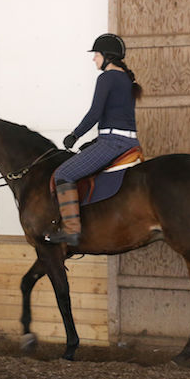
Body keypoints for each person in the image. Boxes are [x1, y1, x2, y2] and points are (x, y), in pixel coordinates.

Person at [46, 33, 143, 246]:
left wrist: (75, 134)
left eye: (96, 55)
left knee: (63, 173)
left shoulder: (107, 78)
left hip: (113, 143)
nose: (94, 59)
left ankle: (71, 230)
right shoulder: (125, 79)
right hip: (127, 142)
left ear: (107, 56)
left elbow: (95, 113)